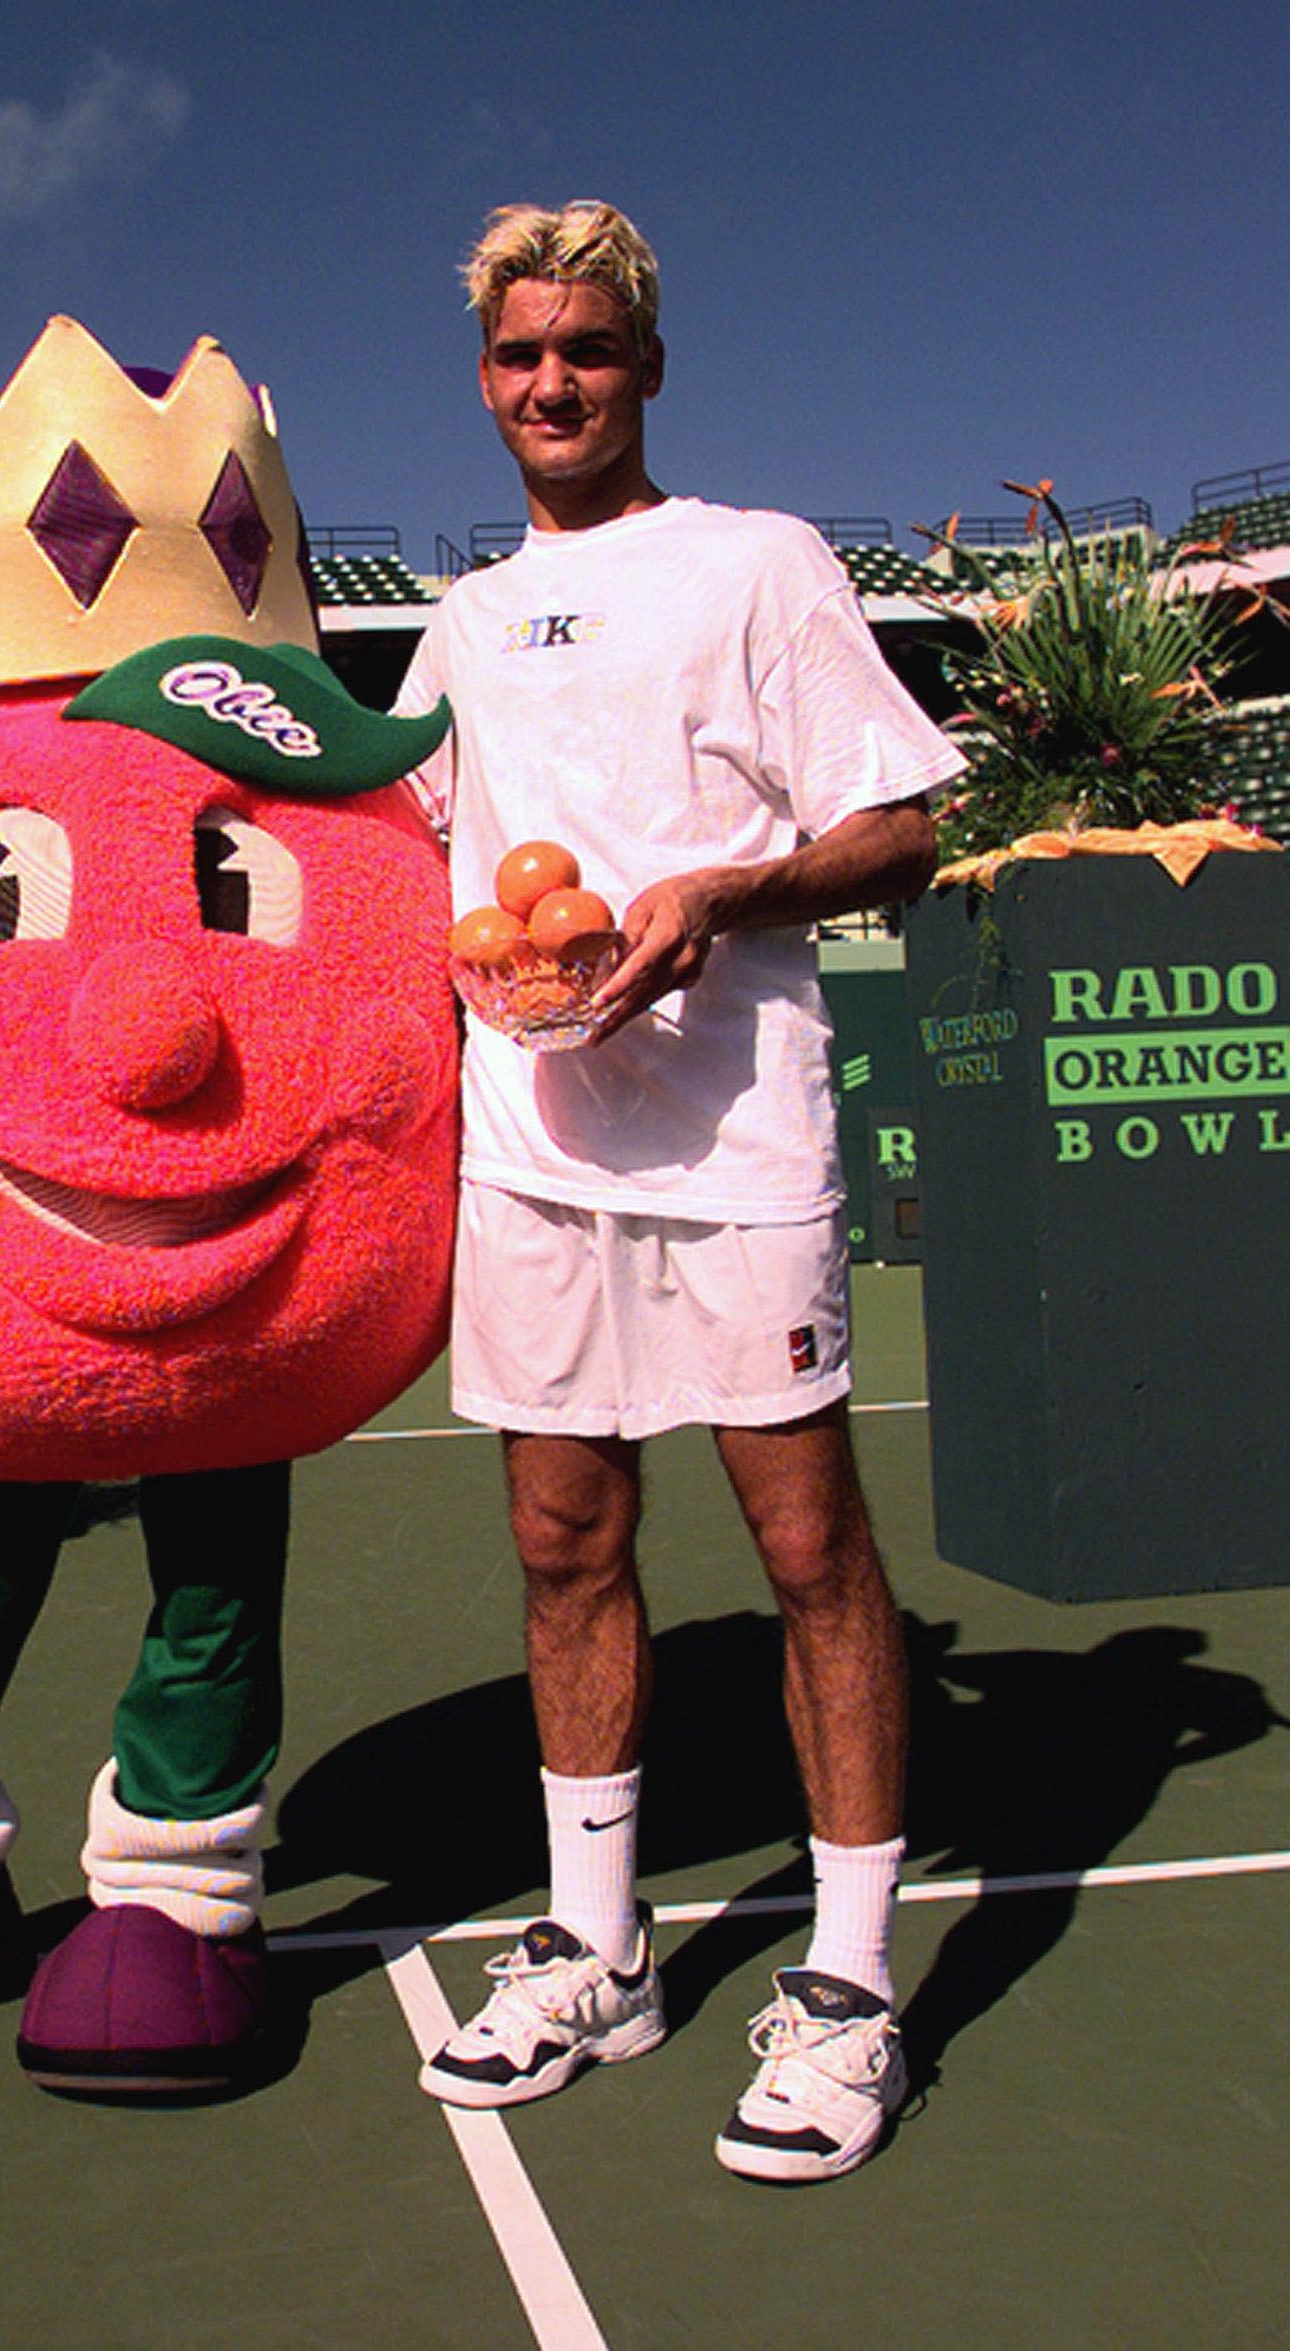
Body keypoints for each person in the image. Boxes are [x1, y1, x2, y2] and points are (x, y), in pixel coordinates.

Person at [394, 199, 965, 2183]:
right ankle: (597, 1953)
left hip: (739, 1137)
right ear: (486, 379)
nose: (551, 384)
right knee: (564, 1543)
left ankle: (855, 1987)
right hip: (535, 1145)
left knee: (810, 1549)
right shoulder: (459, 625)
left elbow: (894, 826)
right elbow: (436, 874)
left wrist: (729, 890)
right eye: (518, 355)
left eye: (588, 351)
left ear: (647, 363)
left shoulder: (758, 563)